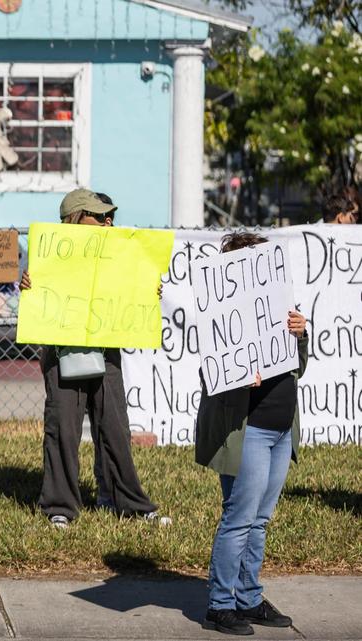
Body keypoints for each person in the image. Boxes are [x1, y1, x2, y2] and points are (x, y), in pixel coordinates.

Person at [19, 188, 168, 529]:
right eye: (100, 215)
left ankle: (130, 503)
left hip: (107, 350)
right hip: (61, 353)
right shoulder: (47, 259)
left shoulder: (121, 255)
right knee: (63, 429)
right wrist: (28, 285)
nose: (108, 221)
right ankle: (59, 506)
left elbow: (134, 291)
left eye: (109, 215)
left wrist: (148, 290)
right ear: (76, 218)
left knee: (115, 428)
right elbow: (37, 296)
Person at [196, 232, 307, 636]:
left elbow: (299, 368)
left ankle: (249, 598)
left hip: (280, 431)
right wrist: (240, 377)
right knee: (240, 518)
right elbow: (213, 376)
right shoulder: (222, 320)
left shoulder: (279, 308)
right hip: (249, 433)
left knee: (259, 520)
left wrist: (299, 336)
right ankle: (220, 605)